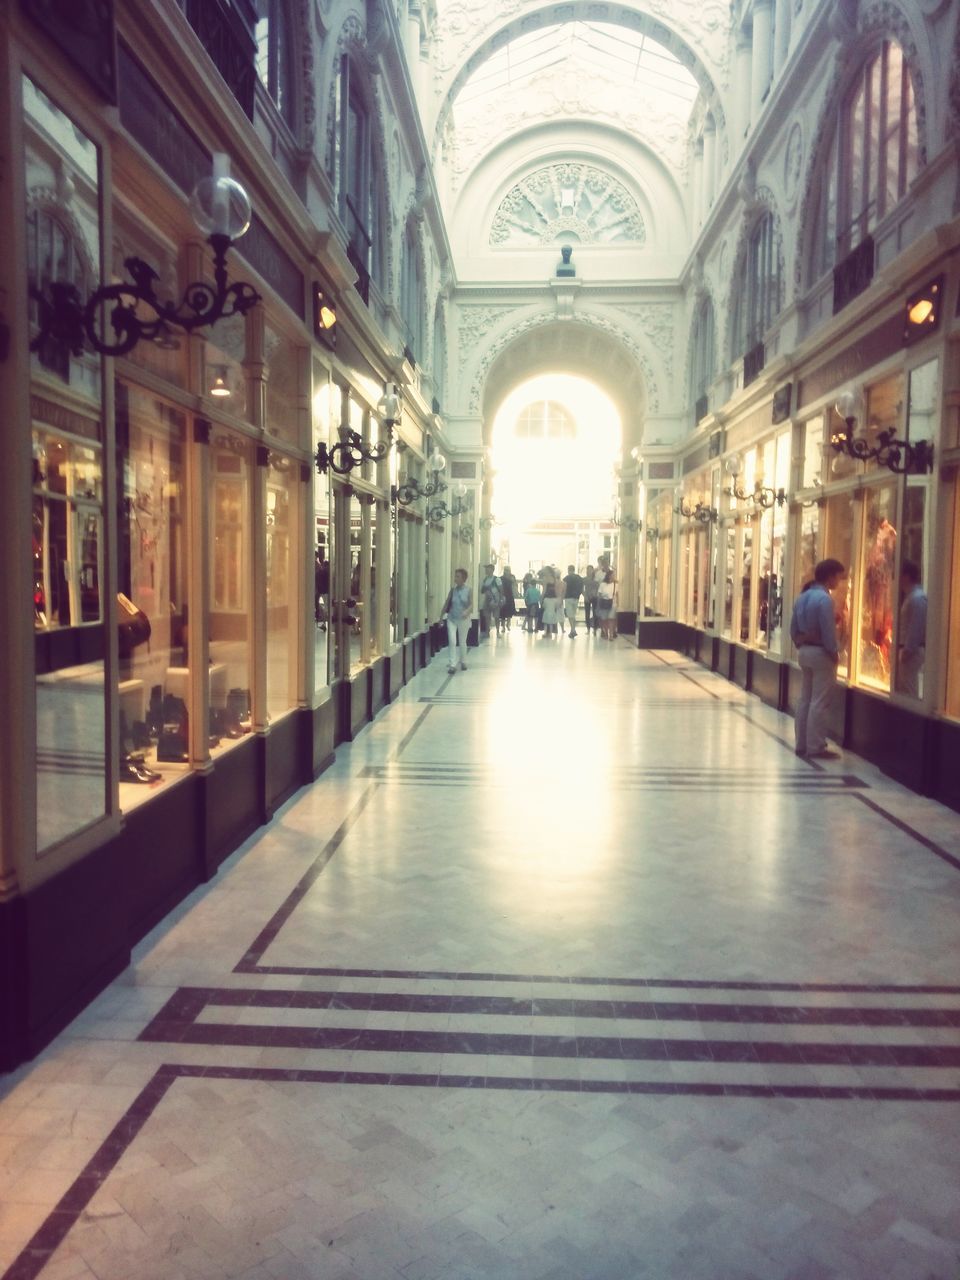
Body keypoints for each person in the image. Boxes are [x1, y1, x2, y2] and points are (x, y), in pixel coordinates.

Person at [790, 557, 845, 759]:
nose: (838, 582)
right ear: (830, 577)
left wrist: (801, 641)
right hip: (821, 653)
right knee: (820, 701)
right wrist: (834, 653)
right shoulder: (824, 599)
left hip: (804, 652)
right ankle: (816, 746)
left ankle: (801, 743)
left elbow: (793, 629)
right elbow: (828, 632)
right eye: (838, 578)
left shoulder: (802, 597)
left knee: (805, 698)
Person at [897, 559, 927, 698]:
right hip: (908, 650)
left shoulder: (917, 598)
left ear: (906, 576)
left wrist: (907, 651)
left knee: (909, 690)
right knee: (905, 688)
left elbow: (916, 626)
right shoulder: (912, 597)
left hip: (911, 652)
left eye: (900, 574)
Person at [442, 568, 472, 674]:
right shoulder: (453, 590)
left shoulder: (468, 590)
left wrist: (466, 612)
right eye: (455, 576)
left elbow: (471, 605)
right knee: (452, 640)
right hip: (452, 618)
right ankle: (452, 664)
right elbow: (447, 603)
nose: (455, 578)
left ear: (463, 578)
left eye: (458, 576)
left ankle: (463, 661)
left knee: (462, 641)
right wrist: (441, 616)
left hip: (463, 619)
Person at [480, 564, 502, 638]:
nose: (486, 570)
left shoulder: (497, 579)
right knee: (487, 616)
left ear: (492, 570)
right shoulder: (485, 579)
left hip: (495, 600)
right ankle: (487, 632)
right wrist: (485, 588)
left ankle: (498, 631)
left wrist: (500, 600)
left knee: (496, 617)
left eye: (487, 568)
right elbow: (482, 591)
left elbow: (501, 590)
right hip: (487, 600)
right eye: (486, 569)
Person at [562, 564, 584, 637]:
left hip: (568, 598)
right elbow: (581, 588)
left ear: (568, 570)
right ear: (574, 569)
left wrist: (562, 597)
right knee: (573, 615)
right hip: (576, 598)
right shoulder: (579, 578)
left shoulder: (566, 578)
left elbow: (564, 589)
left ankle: (573, 630)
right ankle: (573, 629)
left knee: (570, 615)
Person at [596, 568, 616, 640]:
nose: (614, 577)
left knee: (611, 619)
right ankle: (606, 632)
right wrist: (600, 602)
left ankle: (611, 635)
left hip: (612, 604)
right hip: (604, 603)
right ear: (609, 576)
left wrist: (618, 605)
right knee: (604, 619)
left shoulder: (615, 584)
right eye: (613, 575)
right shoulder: (602, 584)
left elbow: (617, 595)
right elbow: (599, 594)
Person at [500, 565, 518, 630]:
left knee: (509, 612)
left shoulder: (512, 577)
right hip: (503, 596)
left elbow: (515, 585)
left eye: (508, 570)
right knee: (503, 612)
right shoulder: (501, 578)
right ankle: (503, 627)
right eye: (506, 570)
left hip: (510, 596)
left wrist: (513, 581)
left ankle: (508, 624)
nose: (507, 571)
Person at [583, 564, 599, 634]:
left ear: (592, 570)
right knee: (587, 613)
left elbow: (598, 588)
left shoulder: (596, 579)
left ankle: (595, 628)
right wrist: (584, 595)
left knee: (595, 613)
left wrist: (595, 593)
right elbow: (581, 588)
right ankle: (588, 628)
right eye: (588, 569)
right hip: (587, 597)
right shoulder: (584, 579)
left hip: (595, 597)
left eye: (590, 569)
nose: (589, 571)